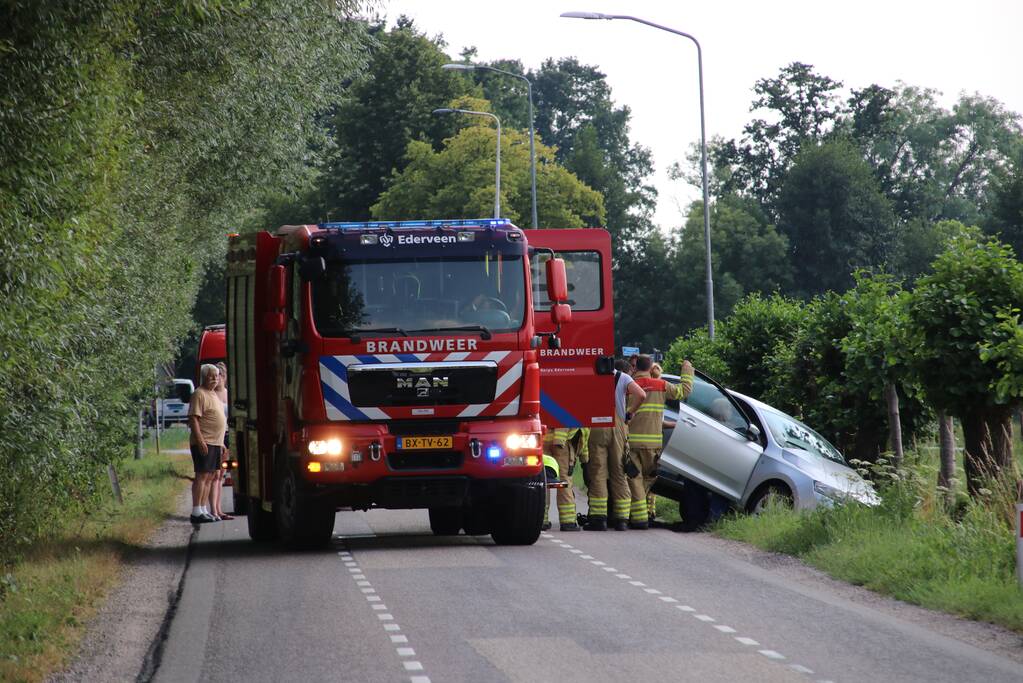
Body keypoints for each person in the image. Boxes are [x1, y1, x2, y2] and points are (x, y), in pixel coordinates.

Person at [626, 354, 693, 529]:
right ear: (650, 368)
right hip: (653, 444)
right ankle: (641, 516)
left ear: (635, 367)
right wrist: (687, 370)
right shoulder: (661, 385)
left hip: (631, 443)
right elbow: (684, 391)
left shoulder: (628, 386)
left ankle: (638, 516)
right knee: (649, 478)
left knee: (634, 478)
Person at [585, 359, 646, 531]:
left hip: (597, 426)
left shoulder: (591, 376)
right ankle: (621, 520)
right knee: (619, 472)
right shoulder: (623, 377)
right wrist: (630, 413)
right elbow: (641, 395)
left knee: (598, 473)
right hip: (618, 428)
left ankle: (599, 519)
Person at [188, 364, 227, 524]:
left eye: (217, 376)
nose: (215, 379)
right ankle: (196, 510)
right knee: (202, 475)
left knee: (211, 476)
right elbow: (193, 418)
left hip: (216, 443)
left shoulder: (213, 394)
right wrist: (200, 440)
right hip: (205, 441)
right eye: (211, 376)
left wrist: (222, 443)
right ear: (204, 377)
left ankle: (203, 509)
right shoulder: (199, 394)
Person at [542, 427, 589, 531]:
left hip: (543, 440)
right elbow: (584, 435)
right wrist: (585, 460)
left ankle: (541, 520)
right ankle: (568, 521)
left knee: (543, 480)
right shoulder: (584, 414)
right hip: (562, 444)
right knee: (564, 481)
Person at [210, 362, 233, 521]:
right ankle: (213, 510)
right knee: (214, 474)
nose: (217, 379)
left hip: (227, 436)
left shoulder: (228, 394)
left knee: (222, 475)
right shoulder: (211, 395)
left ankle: (219, 510)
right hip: (215, 437)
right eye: (215, 376)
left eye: (219, 376)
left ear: (224, 377)